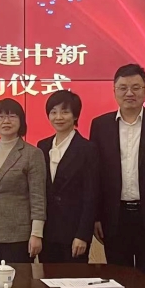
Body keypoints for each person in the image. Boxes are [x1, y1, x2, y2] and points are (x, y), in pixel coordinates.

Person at [89, 64, 145, 283]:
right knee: (118, 283)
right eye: (123, 88)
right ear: (114, 91)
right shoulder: (100, 125)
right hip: (114, 218)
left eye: (136, 87)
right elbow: (95, 176)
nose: (129, 93)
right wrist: (97, 217)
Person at [0, 98, 46, 265]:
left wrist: (36, 234)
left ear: (21, 121)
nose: (6, 121)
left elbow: (38, 197)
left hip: (18, 235)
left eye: (12, 116)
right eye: (0, 117)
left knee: (18, 279)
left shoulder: (32, 154)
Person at [36, 90, 99, 263]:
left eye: (65, 112)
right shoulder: (42, 146)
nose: (58, 117)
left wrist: (83, 235)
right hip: (47, 231)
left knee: (74, 278)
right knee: (46, 277)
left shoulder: (88, 149)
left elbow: (91, 196)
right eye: (53, 112)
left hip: (74, 232)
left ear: (75, 115)